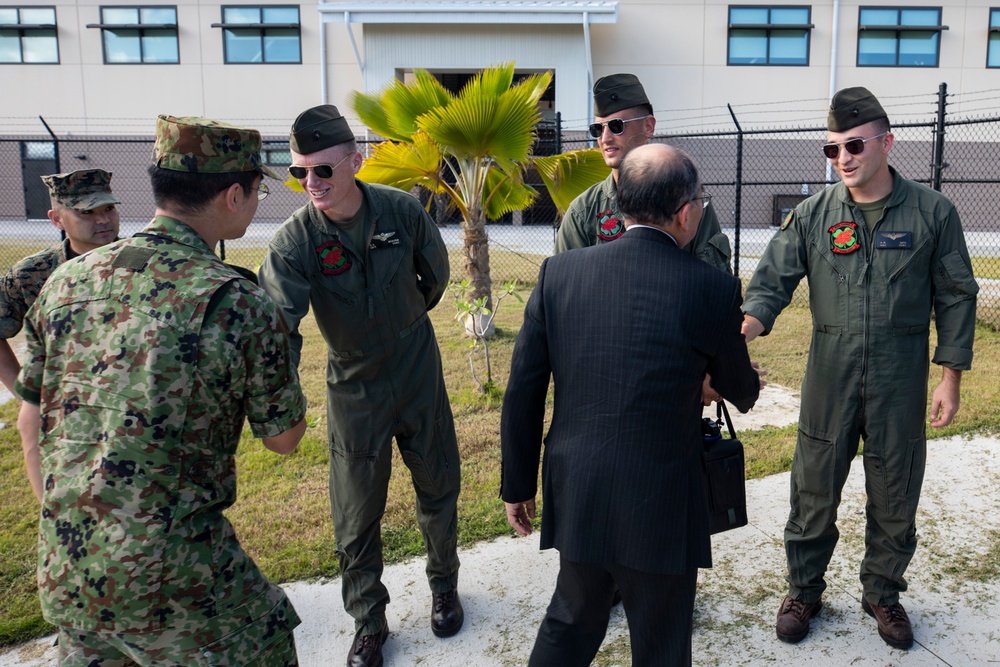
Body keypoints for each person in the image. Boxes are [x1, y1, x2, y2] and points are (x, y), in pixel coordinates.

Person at [15, 115, 308, 666]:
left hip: (70, 572)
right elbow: (285, 439)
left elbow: (30, 421)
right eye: (257, 190)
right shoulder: (237, 301)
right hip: (178, 584)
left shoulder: (66, 281)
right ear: (234, 194)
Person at [501, 143, 762, 667]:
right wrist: (728, 378)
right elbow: (741, 389)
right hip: (663, 500)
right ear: (687, 212)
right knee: (662, 639)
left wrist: (518, 486)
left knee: (573, 617)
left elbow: (523, 390)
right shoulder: (712, 288)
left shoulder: (559, 274)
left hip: (581, 489)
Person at [741, 87, 979, 650]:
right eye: (831, 149)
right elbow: (771, 282)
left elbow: (955, 296)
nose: (843, 158)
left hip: (900, 376)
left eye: (853, 144)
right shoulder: (814, 215)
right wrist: (744, 332)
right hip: (830, 371)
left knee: (896, 486)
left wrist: (950, 376)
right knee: (814, 486)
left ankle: (883, 593)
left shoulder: (933, 212)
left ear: (886, 142)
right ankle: (804, 590)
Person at [258, 104, 462, 667]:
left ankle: (444, 585)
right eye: (300, 172)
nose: (311, 183)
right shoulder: (294, 242)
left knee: (438, 482)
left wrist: (405, 322)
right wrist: (278, 398)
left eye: (322, 169)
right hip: (353, 384)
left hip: (417, 364)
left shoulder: (401, 211)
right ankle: (369, 622)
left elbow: (436, 275)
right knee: (354, 512)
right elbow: (279, 326)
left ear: (355, 160)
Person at [554, 73, 731, 275]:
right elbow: (564, 285)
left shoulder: (688, 201)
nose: (605, 138)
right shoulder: (584, 211)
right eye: (597, 129)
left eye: (616, 126)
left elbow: (713, 280)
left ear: (648, 126)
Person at [0, 169, 121, 395]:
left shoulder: (143, 262)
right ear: (57, 219)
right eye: (87, 212)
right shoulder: (32, 274)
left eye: (109, 208)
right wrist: (25, 396)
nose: (103, 219)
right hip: (67, 410)